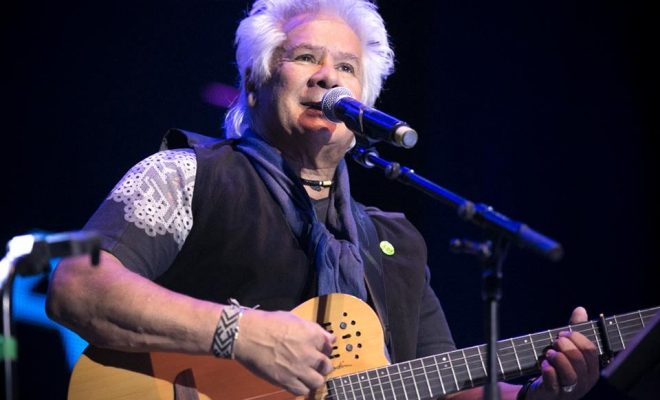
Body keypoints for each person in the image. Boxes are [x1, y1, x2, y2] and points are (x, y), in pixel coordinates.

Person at [46, 0, 600, 399]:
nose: (327, 77)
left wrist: (541, 394)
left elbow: (435, 384)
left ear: (363, 105)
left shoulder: (396, 242)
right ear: (255, 84)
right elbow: (76, 285)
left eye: (346, 68)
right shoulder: (187, 175)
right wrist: (239, 334)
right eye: (307, 57)